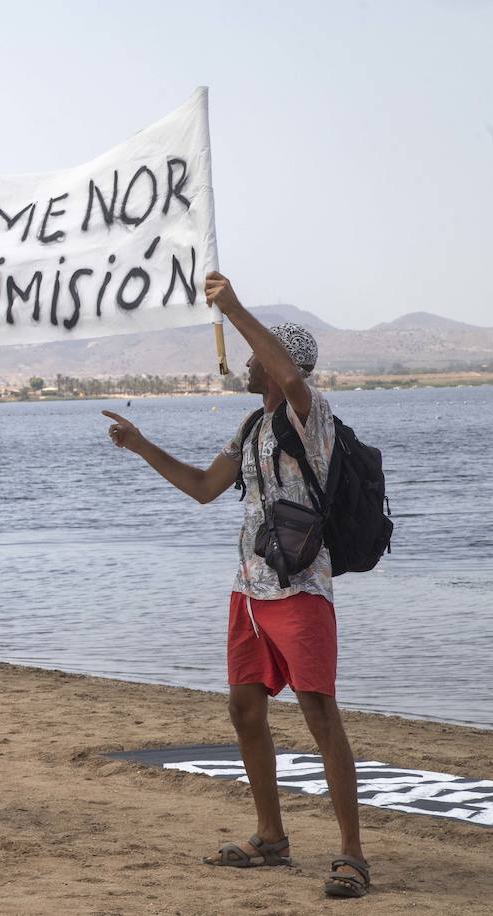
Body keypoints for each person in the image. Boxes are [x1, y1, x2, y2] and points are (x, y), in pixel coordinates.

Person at [101, 272, 369, 899]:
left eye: (258, 357)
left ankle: (352, 854)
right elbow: (202, 487)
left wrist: (234, 306)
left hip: (302, 592)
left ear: (281, 366)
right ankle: (271, 837)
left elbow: (295, 380)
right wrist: (141, 446)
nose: (246, 364)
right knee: (244, 708)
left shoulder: (313, 417)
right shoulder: (251, 426)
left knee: (319, 714)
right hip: (249, 595)